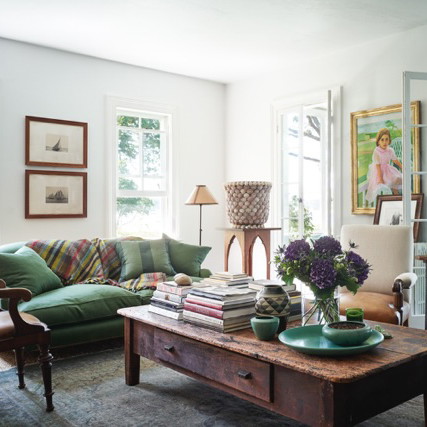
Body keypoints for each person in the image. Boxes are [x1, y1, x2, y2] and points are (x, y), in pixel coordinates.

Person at [365, 128, 402, 204]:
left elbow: (395, 160)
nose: (384, 142)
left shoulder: (390, 150)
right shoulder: (377, 151)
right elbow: (377, 166)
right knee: (386, 184)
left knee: (397, 178)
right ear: (378, 141)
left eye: (386, 139)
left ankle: (397, 199)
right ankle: (387, 202)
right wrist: (380, 178)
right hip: (380, 171)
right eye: (382, 140)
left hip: (388, 169)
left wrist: (402, 167)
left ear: (389, 140)